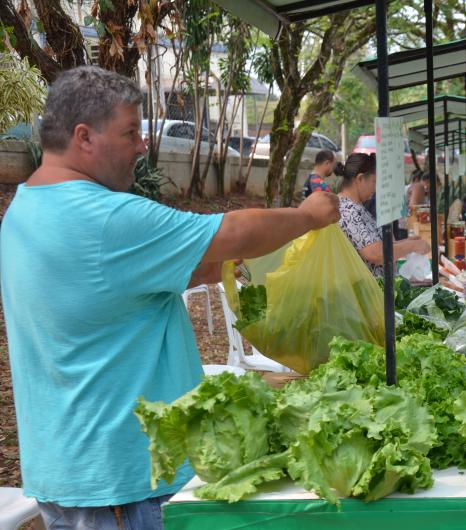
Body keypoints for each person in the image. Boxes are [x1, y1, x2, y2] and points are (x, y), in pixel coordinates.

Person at [0, 66, 340, 530]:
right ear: (84, 136)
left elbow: (104, 291)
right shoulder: (107, 217)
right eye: (130, 133)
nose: (142, 146)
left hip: (68, 470)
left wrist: (200, 268)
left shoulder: (25, 208)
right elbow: (234, 233)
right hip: (125, 482)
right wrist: (307, 216)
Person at [336, 153, 430, 276]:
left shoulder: (358, 207)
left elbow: (375, 243)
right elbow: (375, 253)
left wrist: (406, 242)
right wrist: (411, 246)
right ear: (360, 179)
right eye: (374, 182)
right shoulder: (347, 210)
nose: (376, 189)